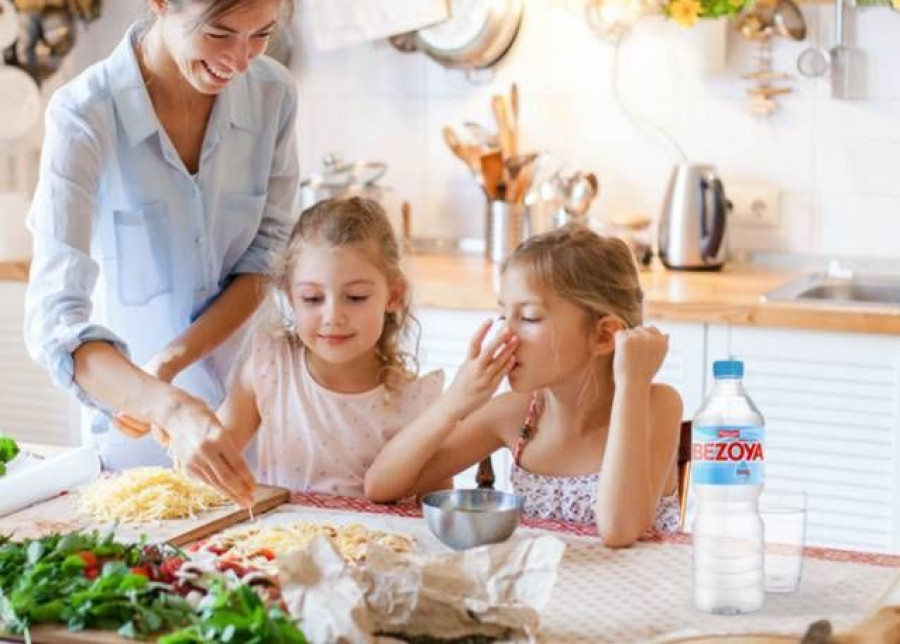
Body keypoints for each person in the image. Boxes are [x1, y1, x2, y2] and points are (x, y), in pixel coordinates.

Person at [24, 0, 299, 506]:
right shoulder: (84, 115)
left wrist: (172, 360)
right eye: (219, 34)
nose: (240, 61)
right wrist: (168, 407)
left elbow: (267, 255)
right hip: (133, 445)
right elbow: (55, 323)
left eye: (261, 34)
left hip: (254, 427)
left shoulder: (272, 94)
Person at [365, 224, 684, 547]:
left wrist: (631, 382)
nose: (504, 335)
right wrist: (452, 405)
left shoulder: (655, 405)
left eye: (529, 318)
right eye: (504, 316)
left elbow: (618, 529)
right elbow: (382, 486)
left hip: (636, 594)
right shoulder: (517, 415)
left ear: (603, 335)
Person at [216, 197, 444, 497]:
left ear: (394, 294)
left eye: (356, 297)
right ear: (290, 296)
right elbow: (211, 459)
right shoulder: (270, 368)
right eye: (312, 298)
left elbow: (436, 515)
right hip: (277, 543)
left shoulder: (417, 403)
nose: (333, 316)